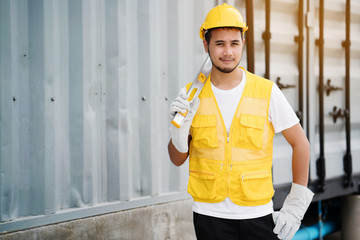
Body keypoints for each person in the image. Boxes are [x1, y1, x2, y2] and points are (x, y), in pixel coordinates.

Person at [168, 3, 314, 240]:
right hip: (209, 216)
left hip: (257, 216)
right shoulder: (191, 95)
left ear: (243, 44)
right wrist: (178, 132)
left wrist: (295, 205)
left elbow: (301, 145)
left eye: (234, 43)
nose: (228, 52)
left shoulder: (266, 91)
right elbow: (176, 160)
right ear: (206, 45)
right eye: (219, 44)